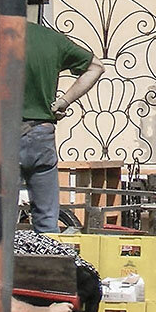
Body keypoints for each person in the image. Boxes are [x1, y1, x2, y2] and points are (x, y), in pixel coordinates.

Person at [22, 22, 104, 233]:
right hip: (41, 133)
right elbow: (96, 67)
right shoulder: (52, 39)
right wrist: (64, 101)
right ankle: (50, 262)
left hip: (0, 133)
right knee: (48, 220)